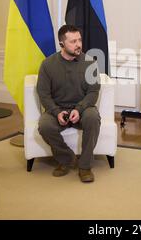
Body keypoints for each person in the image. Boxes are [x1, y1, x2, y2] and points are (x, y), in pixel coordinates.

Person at [37, 25, 101, 183]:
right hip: (58, 109)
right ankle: (67, 159)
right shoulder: (47, 65)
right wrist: (56, 111)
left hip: (83, 108)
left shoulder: (90, 62)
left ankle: (85, 167)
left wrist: (79, 109)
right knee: (45, 125)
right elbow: (44, 94)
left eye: (79, 40)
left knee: (92, 117)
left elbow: (93, 92)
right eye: (73, 41)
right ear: (62, 44)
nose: (78, 44)